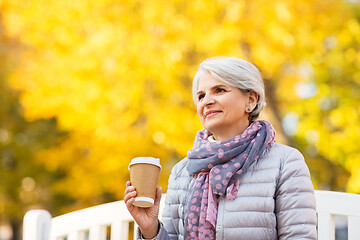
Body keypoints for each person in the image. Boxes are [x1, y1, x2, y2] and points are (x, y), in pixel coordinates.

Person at [124, 57, 317, 240]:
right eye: (201, 96)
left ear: (250, 100)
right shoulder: (183, 171)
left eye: (219, 90)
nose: (206, 101)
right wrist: (150, 229)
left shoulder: (285, 162)